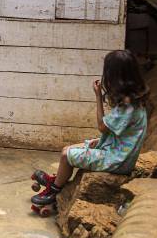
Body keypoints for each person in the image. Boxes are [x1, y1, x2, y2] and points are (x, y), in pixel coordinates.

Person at [31, 50, 149, 207]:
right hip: (117, 149)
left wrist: (98, 97)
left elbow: (102, 126)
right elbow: (116, 130)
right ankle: (57, 180)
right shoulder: (135, 98)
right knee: (67, 149)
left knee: (67, 155)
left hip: (117, 160)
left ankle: (54, 190)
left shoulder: (127, 107)